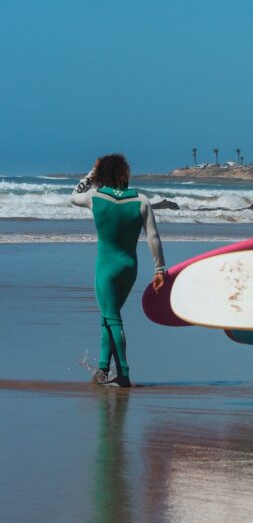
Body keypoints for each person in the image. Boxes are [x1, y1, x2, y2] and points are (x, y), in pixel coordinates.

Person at [71, 155, 166, 388]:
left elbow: (73, 197)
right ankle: (103, 369)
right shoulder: (142, 200)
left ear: (101, 174)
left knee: (112, 318)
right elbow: (153, 237)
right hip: (129, 269)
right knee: (108, 316)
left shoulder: (95, 196)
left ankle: (123, 373)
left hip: (106, 269)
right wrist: (159, 269)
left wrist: (90, 175)